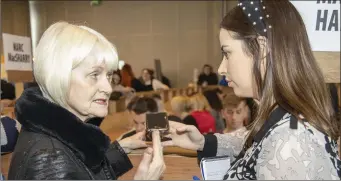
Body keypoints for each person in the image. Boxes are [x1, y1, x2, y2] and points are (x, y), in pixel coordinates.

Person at [164, 0, 341, 179]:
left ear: (262, 49)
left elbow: (274, 143)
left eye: (227, 53)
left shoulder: (289, 143)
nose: (221, 68)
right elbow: (255, 142)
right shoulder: (287, 121)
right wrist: (203, 142)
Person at [8, 22, 165, 180]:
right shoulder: (51, 157)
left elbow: (80, 172)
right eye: (94, 75)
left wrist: (120, 150)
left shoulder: (53, 136)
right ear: (60, 77)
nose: (108, 88)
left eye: (109, 76)